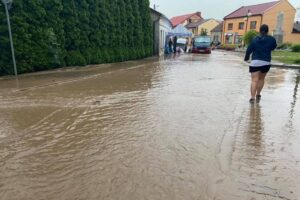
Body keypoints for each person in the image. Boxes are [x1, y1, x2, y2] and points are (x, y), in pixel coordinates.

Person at [244, 24, 277, 103]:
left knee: (254, 80)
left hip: (255, 62)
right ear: (267, 31)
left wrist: (246, 57)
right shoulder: (272, 39)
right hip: (266, 62)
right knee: (261, 79)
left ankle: (252, 98)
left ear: (259, 30)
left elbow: (249, 49)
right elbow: (273, 47)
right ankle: (258, 94)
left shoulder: (254, 39)